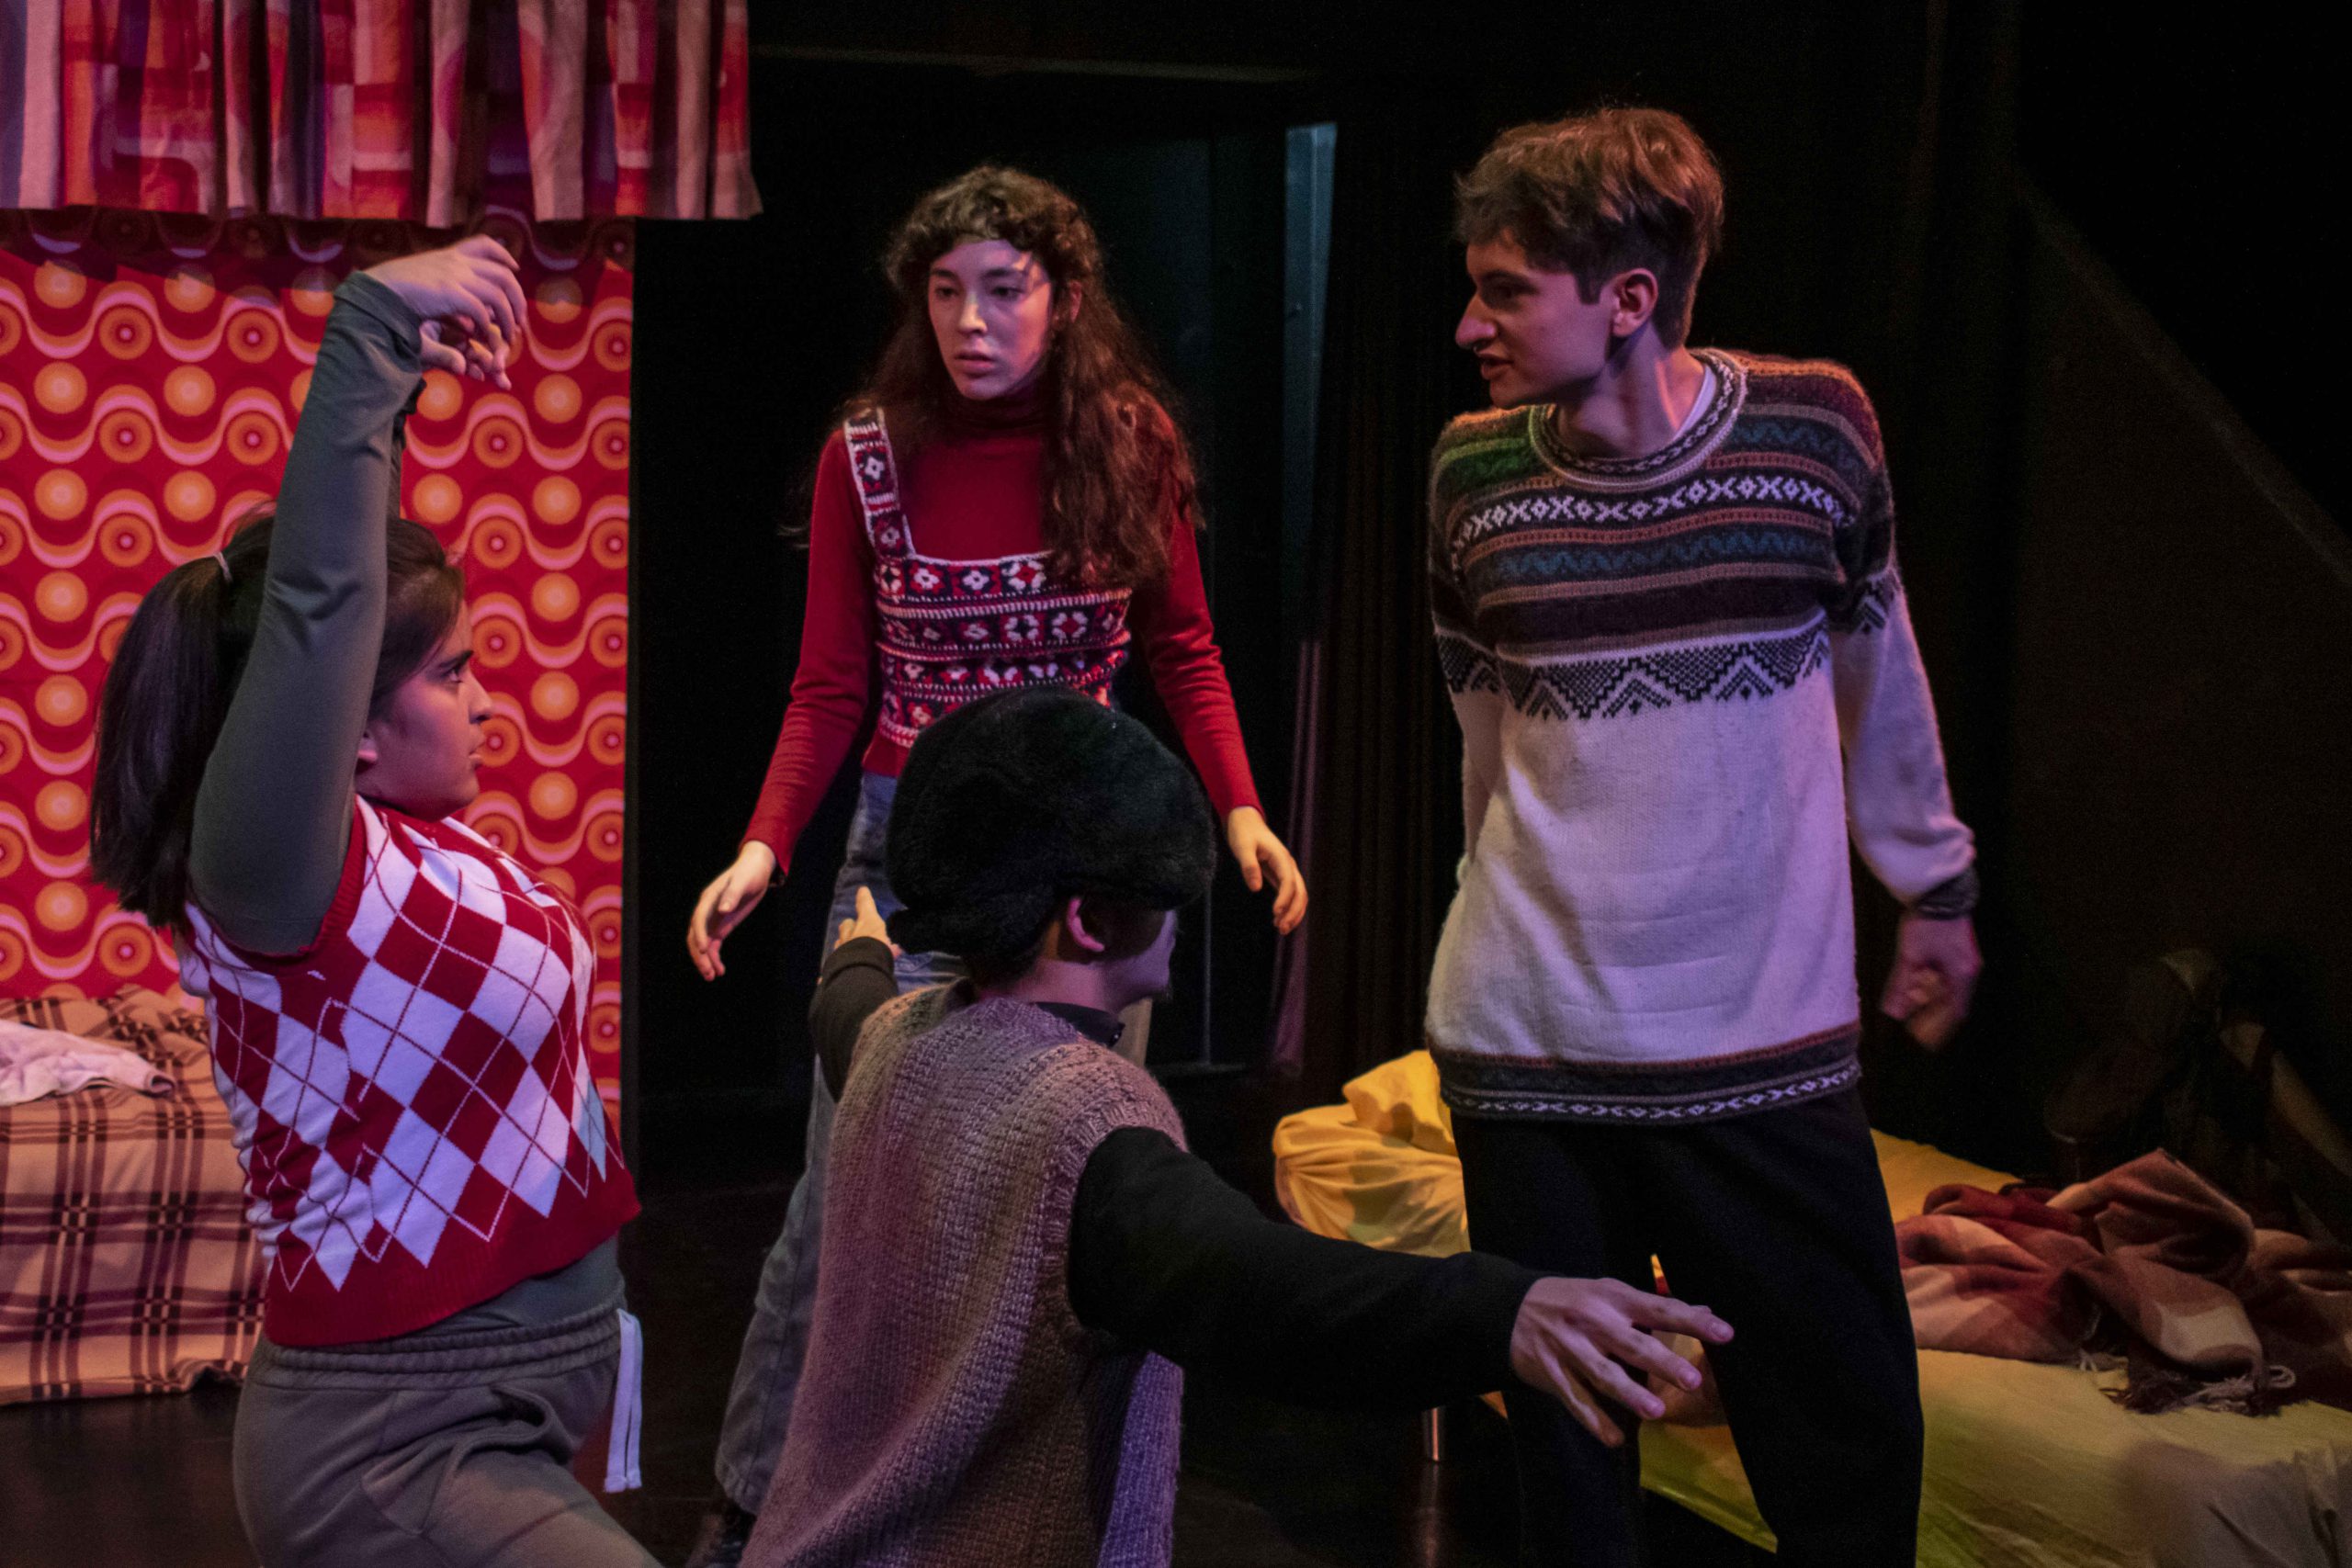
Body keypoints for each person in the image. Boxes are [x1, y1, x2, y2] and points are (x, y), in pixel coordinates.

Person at [740, 686, 1733, 1568]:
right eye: (1167, 893)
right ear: (1088, 921)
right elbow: (1269, 1291)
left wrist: (859, 952)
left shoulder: (896, 1042)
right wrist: (1507, 1312)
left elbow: (845, 1006)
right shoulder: (1086, 1133)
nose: (1184, 917)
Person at [682, 165, 1306, 1564]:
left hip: (1083, 856)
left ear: (1065, 300)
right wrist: (765, 842)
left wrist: (1242, 809)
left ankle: (1035, 1512)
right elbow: (830, 682)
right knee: (842, 1197)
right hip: (911, 845)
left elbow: (1182, 646)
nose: (971, 321)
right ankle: (754, 1507)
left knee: (1074, 1192)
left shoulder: (1131, 443)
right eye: (946, 292)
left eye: (1003, 290)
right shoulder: (868, 457)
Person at [1425, 108, 1982, 1566]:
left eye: (1504, 291)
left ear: (1628, 297)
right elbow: (1484, 750)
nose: (1469, 326)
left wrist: (1933, 885)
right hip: (1532, 1048)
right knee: (1570, 1485)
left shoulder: (1814, 429)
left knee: (1846, 1453)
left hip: (1759, 1044)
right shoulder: (1472, 476)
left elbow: (1882, 675)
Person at [90, 240, 652, 1568]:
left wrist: (403, 393)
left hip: (515, 1406)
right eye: (454, 674)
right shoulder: (274, 874)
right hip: (389, 1444)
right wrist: (370, 331)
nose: (487, 704)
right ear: (342, 719)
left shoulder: (419, 846)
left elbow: (352, 592)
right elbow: (323, 600)